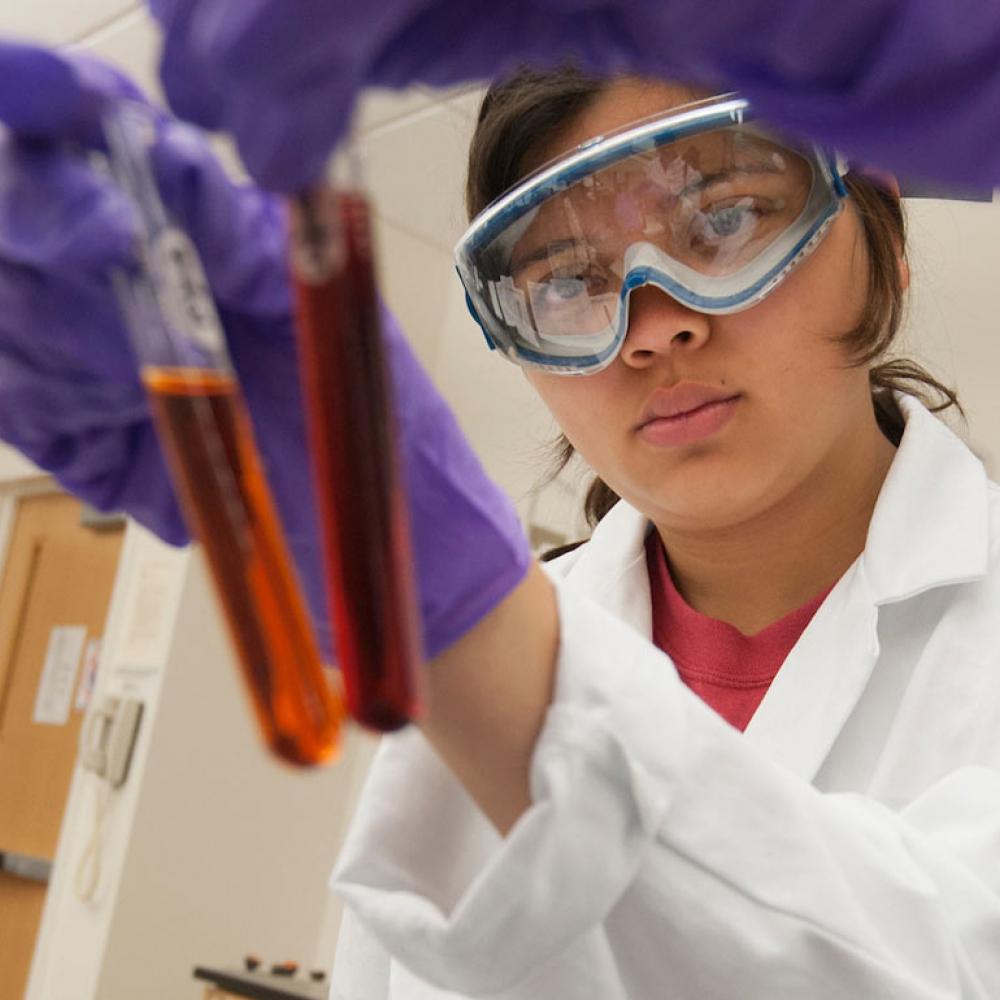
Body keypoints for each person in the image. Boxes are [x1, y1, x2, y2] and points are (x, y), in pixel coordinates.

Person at [1, 3, 999, 996]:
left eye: (726, 218)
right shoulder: (494, 655)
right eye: (568, 282)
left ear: (882, 235)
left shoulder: (479, 649)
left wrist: (469, 634)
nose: (651, 326)